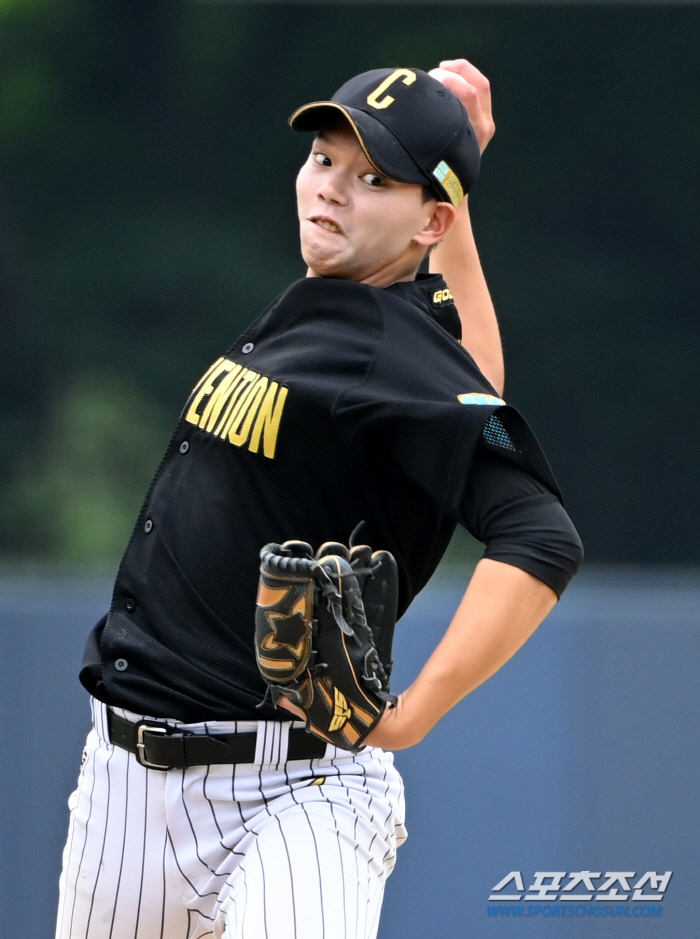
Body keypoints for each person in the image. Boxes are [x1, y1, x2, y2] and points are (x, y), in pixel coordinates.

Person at [55, 59, 582, 939]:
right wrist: (450, 178)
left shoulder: (391, 347)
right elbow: (474, 375)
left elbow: (540, 533)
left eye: (374, 178)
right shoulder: (331, 308)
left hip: (295, 786)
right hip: (123, 782)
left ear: (427, 218)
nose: (333, 189)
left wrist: (412, 714)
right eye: (326, 160)